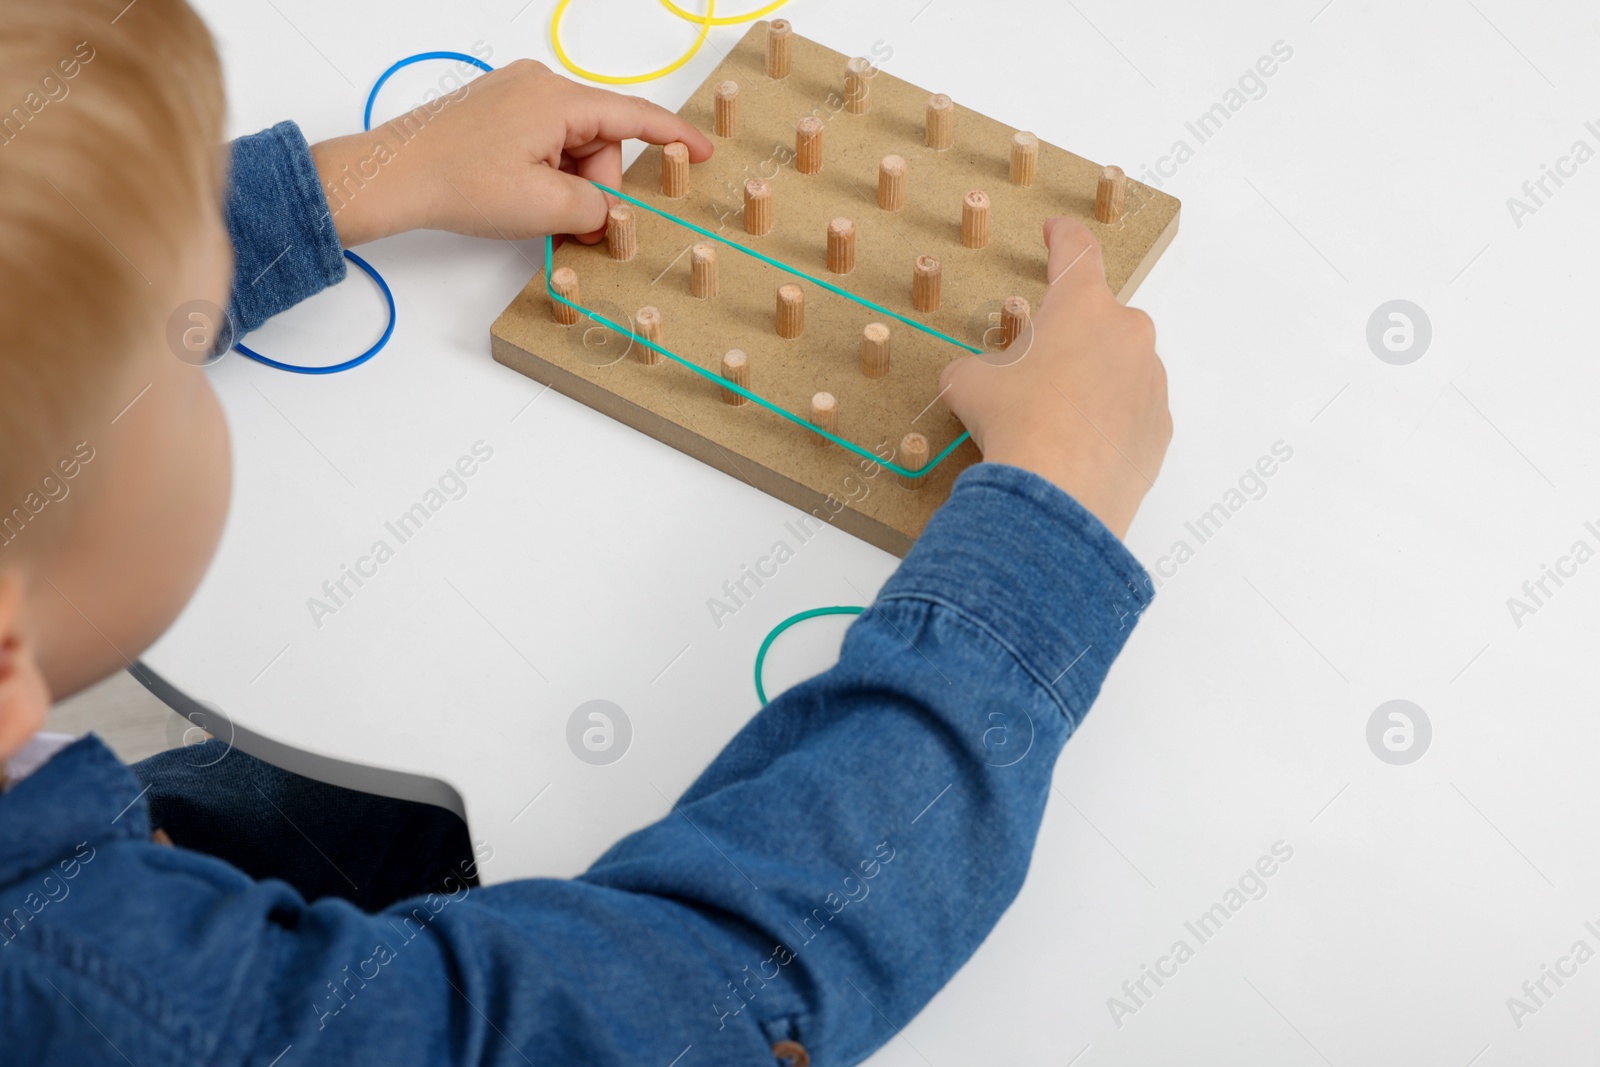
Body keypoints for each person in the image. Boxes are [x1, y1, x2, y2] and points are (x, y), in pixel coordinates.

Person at [0, 0, 1171, 1063]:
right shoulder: (128, 1007)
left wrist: (355, 178)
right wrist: (1040, 545)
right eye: (171, 363)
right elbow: (700, 1003)